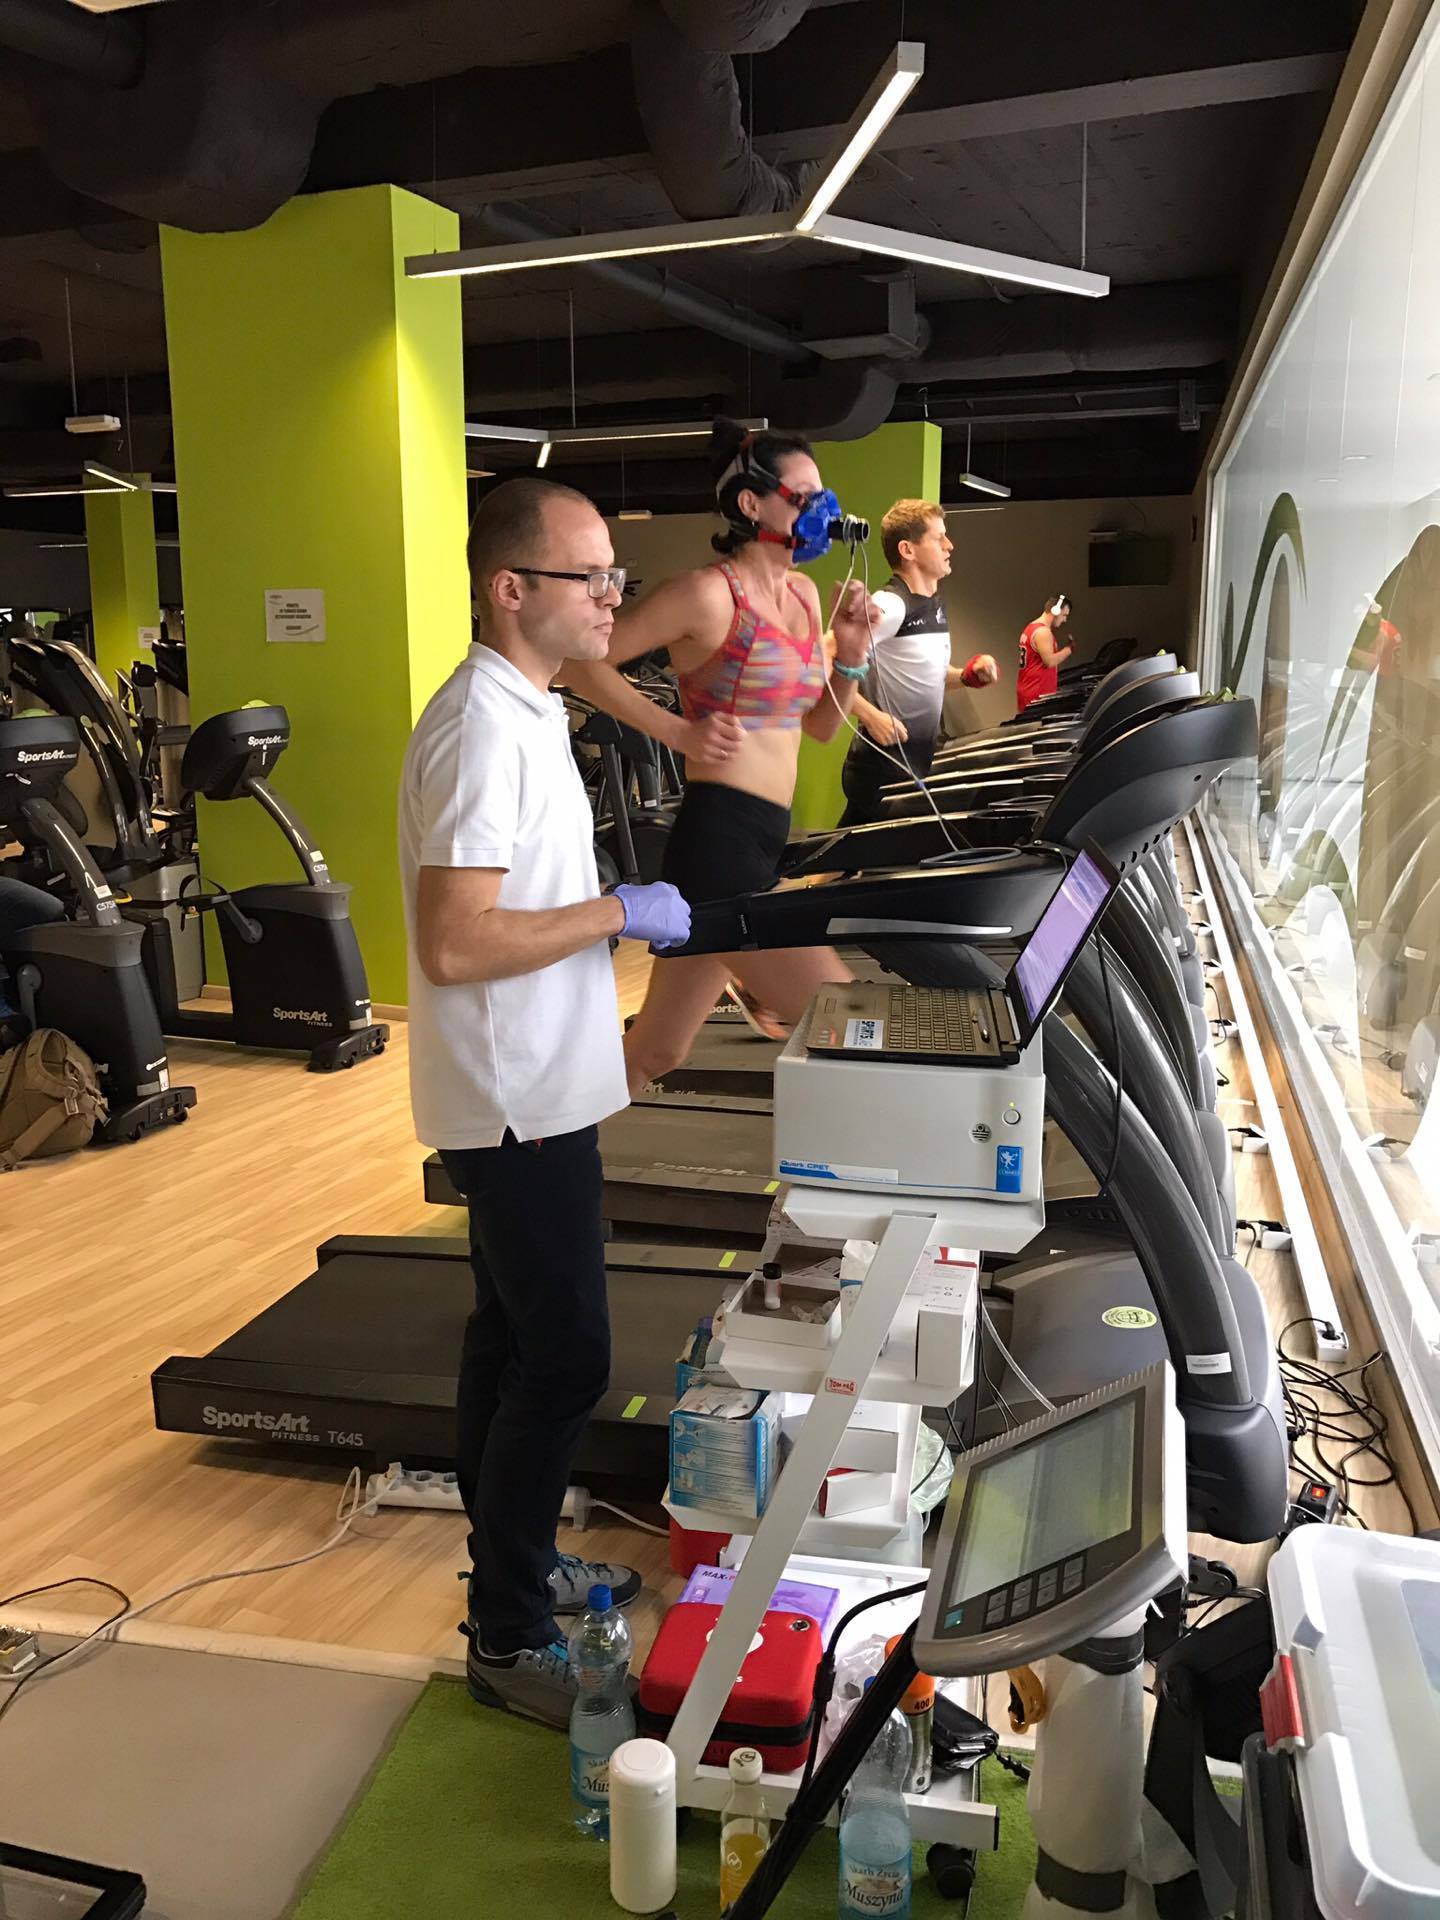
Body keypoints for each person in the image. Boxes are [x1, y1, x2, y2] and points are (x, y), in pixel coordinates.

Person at [398, 476, 691, 1729]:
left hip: (541, 1082)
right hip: (513, 1098)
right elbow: (453, 941)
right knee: (566, 1359)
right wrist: (621, 910)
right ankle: (509, 1633)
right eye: (593, 576)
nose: (614, 596)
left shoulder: (532, 705)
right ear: (511, 588)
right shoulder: (482, 728)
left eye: (616, 573)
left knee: (509, 1342)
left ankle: (509, 1572)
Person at [559, 421, 881, 1086]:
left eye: (822, 494)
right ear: (751, 503)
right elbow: (578, 663)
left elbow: (821, 727)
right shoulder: (706, 594)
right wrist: (674, 731)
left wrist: (850, 656)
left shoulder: (804, 595)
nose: (821, 509)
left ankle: (541, 1131)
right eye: (803, 495)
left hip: (764, 838)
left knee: (656, 1052)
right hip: (719, 849)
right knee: (855, 1025)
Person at [837, 499, 999, 827]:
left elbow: (924, 676)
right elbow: (822, 659)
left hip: (912, 765)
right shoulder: (891, 604)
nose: (949, 545)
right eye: (939, 538)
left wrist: (967, 676)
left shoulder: (931, 606)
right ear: (908, 550)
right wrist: (870, 715)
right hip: (882, 770)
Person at [1016, 594, 1073, 712]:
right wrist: (1069, 649)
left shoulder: (1031, 627)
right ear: (1055, 610)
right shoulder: (1043, 632)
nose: (1065, 620)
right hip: (1037, 693)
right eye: (1064, 615)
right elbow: (1049, 661)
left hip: (1029, 688)